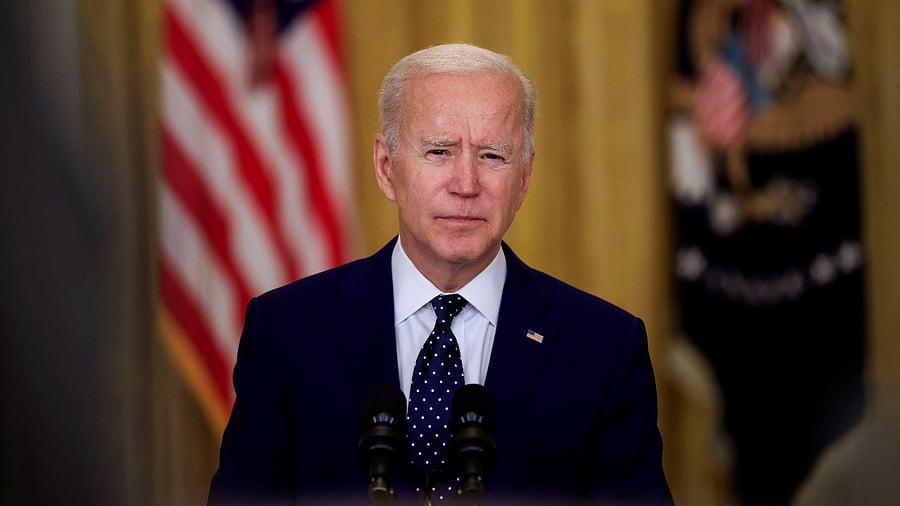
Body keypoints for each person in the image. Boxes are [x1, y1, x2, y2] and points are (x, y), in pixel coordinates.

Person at [208, 43, 672, 505]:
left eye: (492, 156)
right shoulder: (288, 332)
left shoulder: (603, 348)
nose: (466, 184)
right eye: (439, 151)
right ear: (387, 167)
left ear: (525, 177)